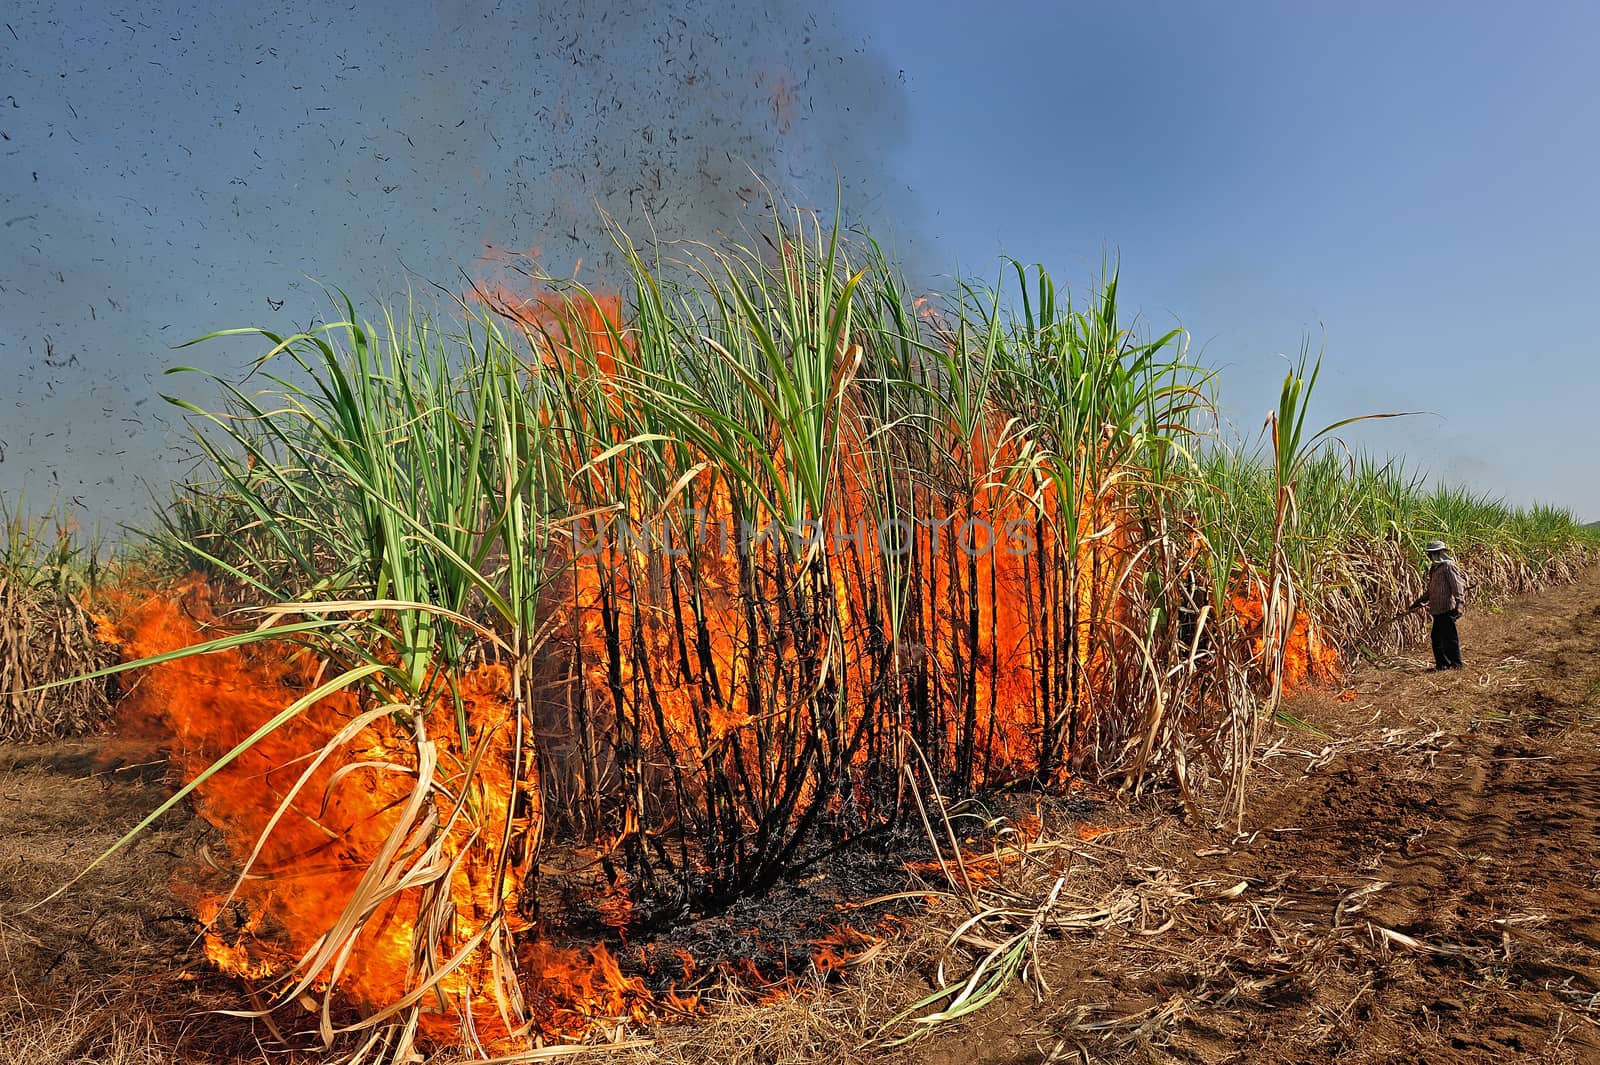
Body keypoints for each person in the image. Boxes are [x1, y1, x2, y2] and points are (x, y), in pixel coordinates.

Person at [1409, 539, 1465, 670]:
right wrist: (1418, 602)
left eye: (1431, 554)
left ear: (1438, 553)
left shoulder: (1448, 566)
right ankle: (1443, 664)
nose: (1429, 556)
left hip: (1447, 608)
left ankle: (1456, 664)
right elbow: (1431, 590)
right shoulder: (1434, 569)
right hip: (1437, 609)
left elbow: (1457, 585)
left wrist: (1460, 604)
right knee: (1437, 638)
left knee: (1449, 638)